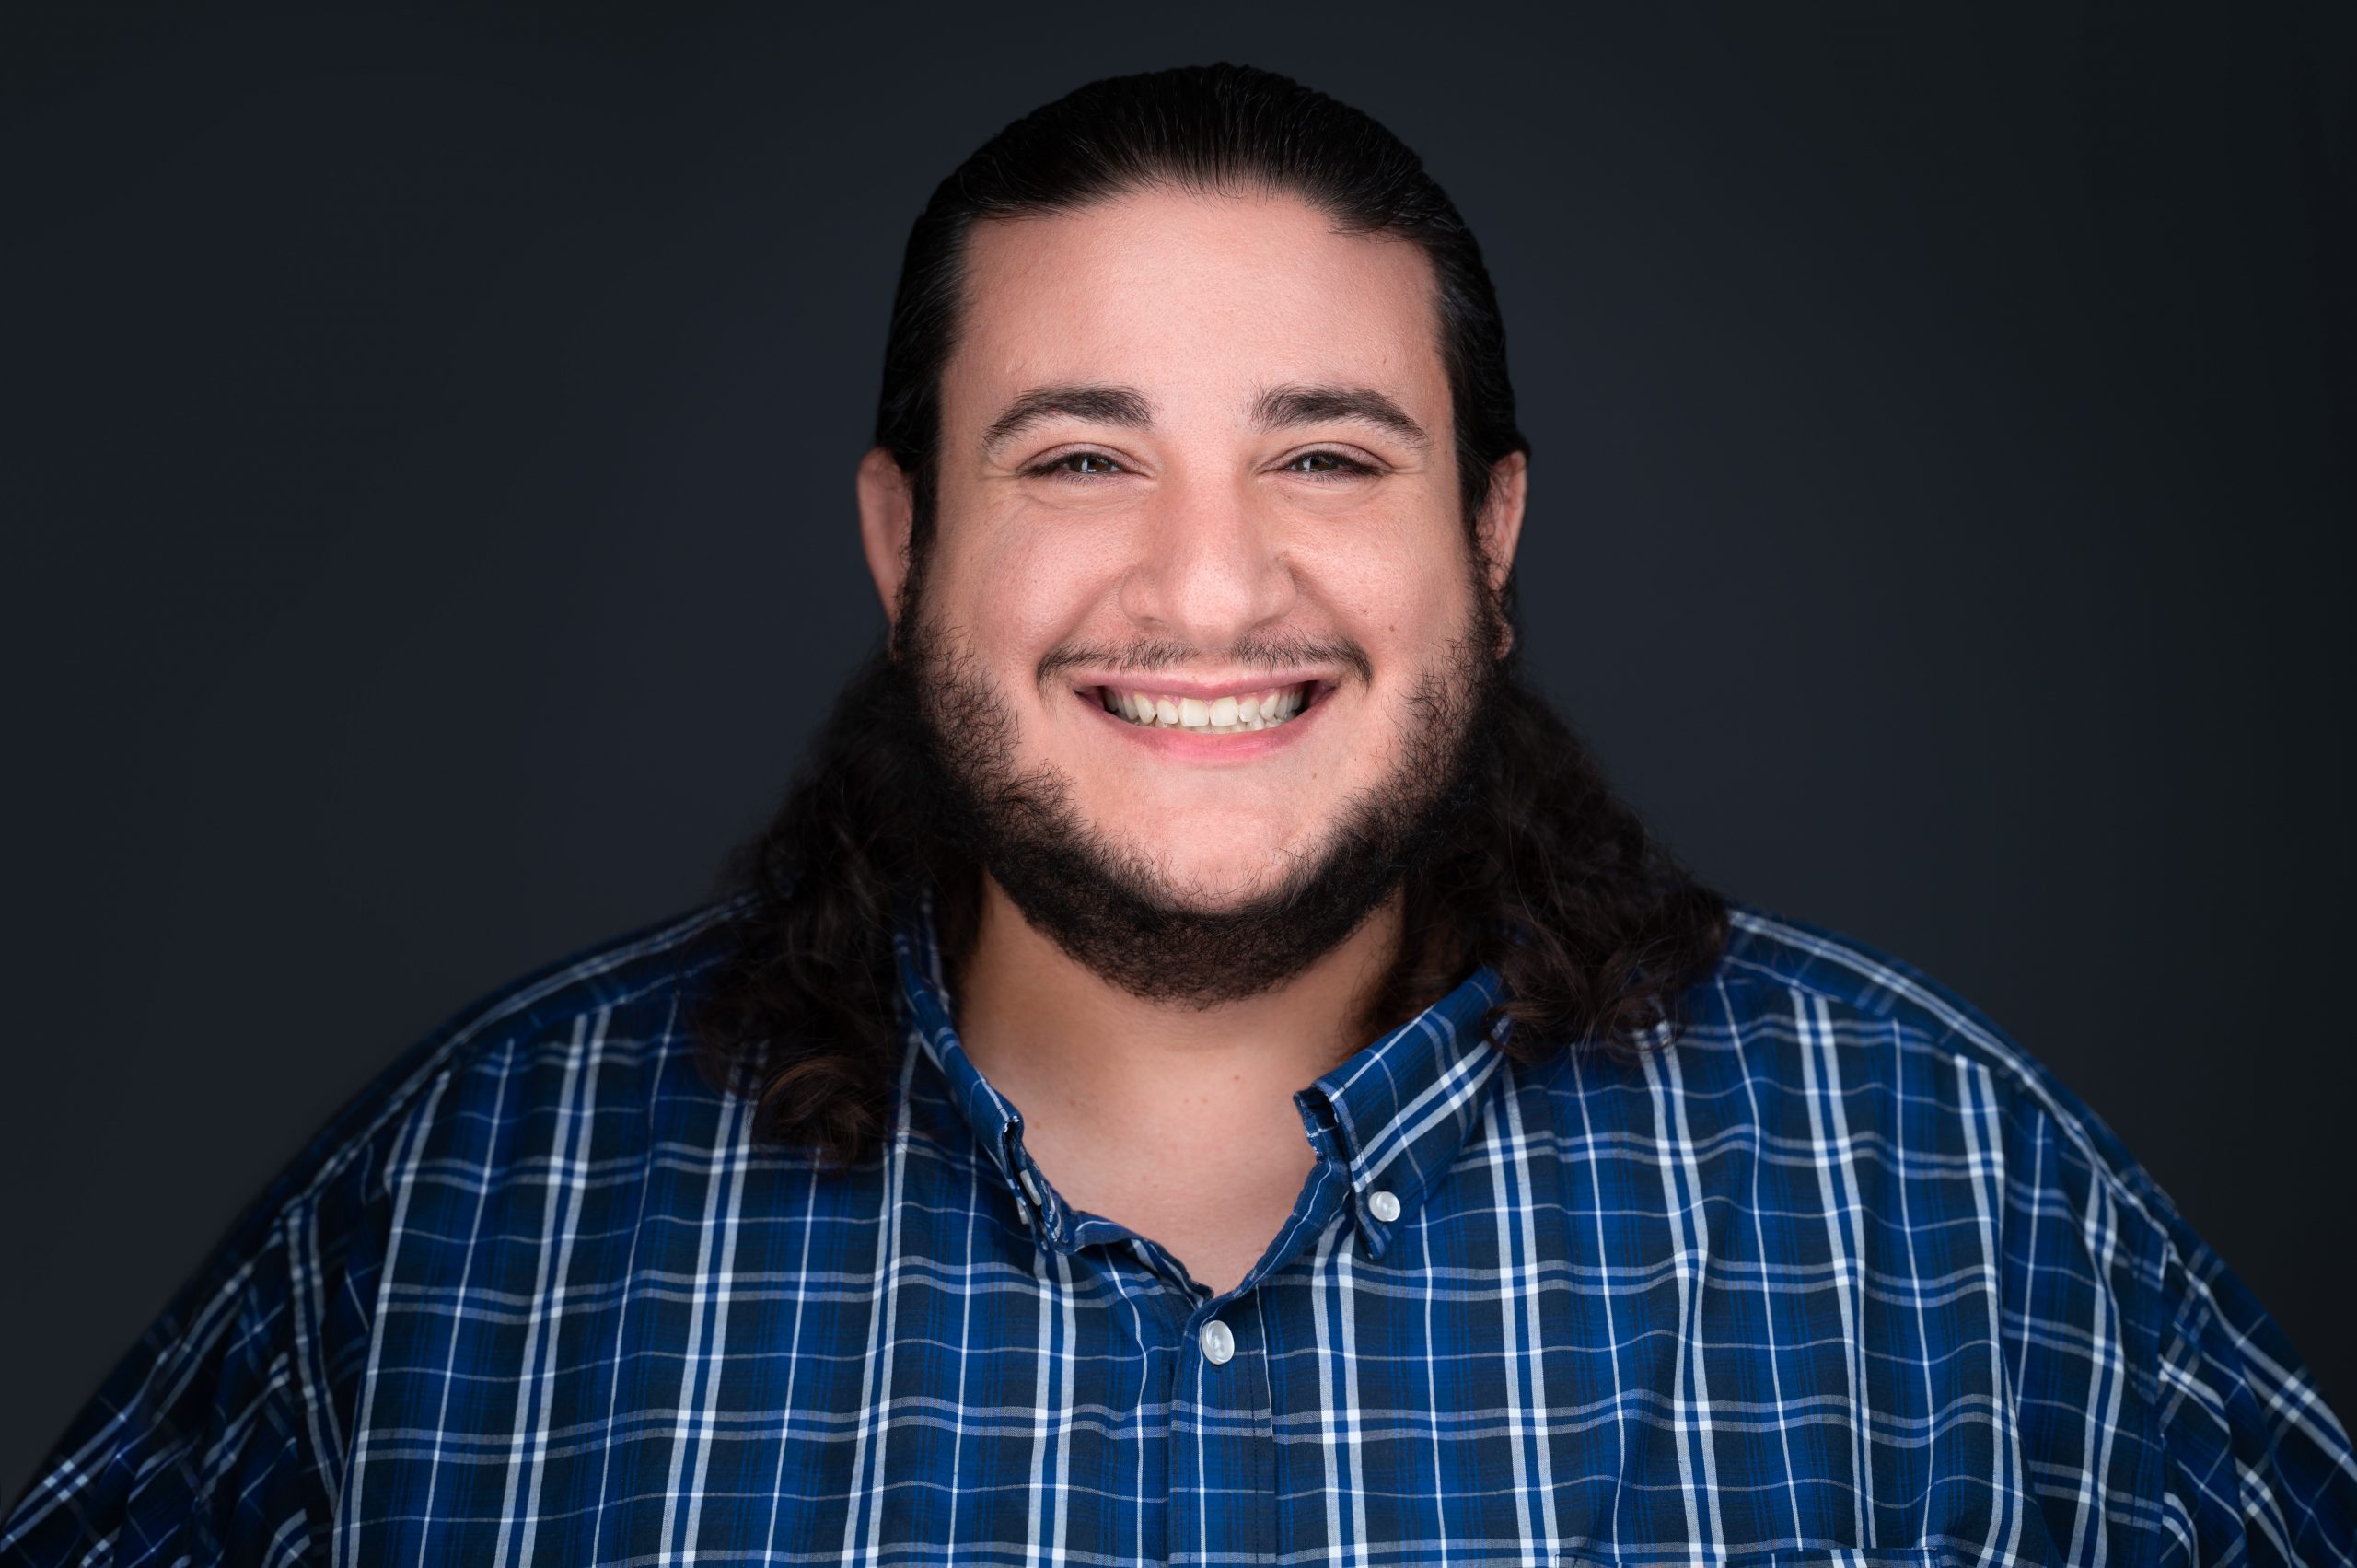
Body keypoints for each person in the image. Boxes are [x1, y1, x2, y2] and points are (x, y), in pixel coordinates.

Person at [5, 61, 2350, 1568]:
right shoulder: (462, 1225)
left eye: (1323, 453)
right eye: (1077, 457)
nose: (1210, 588)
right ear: (901, 544)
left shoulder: (1940, 1196)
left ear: (1489, 542)